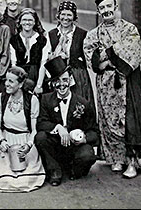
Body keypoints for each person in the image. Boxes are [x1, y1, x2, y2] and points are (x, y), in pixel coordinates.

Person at [83, 0, 141, 178]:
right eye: (102, 8)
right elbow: (93, 60)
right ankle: (117, 158)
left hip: (127, 83)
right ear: (98, 11)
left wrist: (106, 53)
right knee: (109, 120)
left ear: (115, 7)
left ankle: (132, 162)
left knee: (130, 121)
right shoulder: (93, 34)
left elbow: (132, 52)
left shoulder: (129, 29)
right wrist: (111, 55)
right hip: (105, 85)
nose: (106, 11)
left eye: (109, 6)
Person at [35, 56, 99, 186]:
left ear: (71, 80)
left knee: (88, 154)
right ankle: (55, 171)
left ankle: (74, 170)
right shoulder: (46, 99)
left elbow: (94, 131)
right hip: (56, 145)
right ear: (53, 84)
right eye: (57, 81)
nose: (62, 84)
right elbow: (41, 123)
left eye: (65, 80)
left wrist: (84, 139)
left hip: (75, 147)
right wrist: (58, 127)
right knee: (40, 137)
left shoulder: (83, 103)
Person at [0, 66, 46, 192]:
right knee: (6, 180)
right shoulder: (1, 98)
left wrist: (28, 145)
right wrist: (1, 141)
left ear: (21, 84)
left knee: (27, 179)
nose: (6, 84)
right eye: (6, 80)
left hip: (25, 140)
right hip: (6, 139)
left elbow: (34, 130)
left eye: (11, 81)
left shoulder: (32, 100)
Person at [48, 0, 96, 119]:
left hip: (78, 77)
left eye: (69, 14)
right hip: (58, 77)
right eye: (63, 14)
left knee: (80, 109)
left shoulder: (83, 34)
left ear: (74, 16)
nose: (66, 18)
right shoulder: (51, 34)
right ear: (58, 16)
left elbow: (89, 57)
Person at [9, 8, 51, 94]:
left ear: (35, 22)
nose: (27, 23)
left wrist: (39, 85)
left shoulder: (42, 39)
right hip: (20, 76)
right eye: (24, 20)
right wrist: (18, 83)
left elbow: (43, 63)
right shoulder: (14, 40)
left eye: (30, 20)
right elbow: (14, 64)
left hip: (38, 75)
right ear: (20, 22)